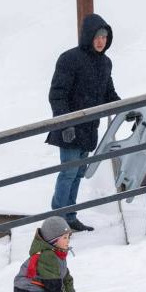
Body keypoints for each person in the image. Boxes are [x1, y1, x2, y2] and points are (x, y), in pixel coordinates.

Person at [47, 14, 120, 232]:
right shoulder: (69, 59)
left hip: (89, 128)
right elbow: (57, 95)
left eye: (104, 37)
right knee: (68, 173)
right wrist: (65, 123)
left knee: (78, 173)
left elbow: (109, 94)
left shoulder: (105, 63)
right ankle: (58, 220)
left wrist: (128, 109)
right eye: (97, 37)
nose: (101, 41)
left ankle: (70, 216)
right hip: (69, 128)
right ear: (88, 36)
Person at [13, 216, 89, 292]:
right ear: (54, 241)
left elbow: (65, 278)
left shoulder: (59, 254)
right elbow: (54, 284)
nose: (68, 240)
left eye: (69, 237)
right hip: (28, 291)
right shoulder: (47, 256)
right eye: (64, 238)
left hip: (43, 289)